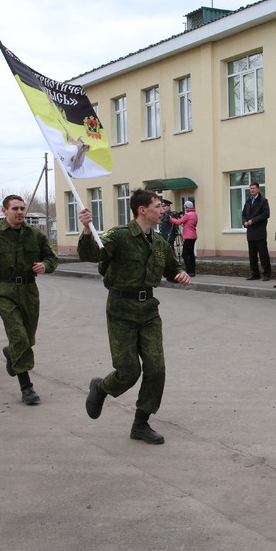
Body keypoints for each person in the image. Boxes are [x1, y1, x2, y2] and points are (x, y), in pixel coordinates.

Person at [79, 190, 192, 444]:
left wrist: (180, 274)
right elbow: (90, 254)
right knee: (129, 371)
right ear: (142, 210)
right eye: (158, 206)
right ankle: (102, 387)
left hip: (149, 310)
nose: (162, 209)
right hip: (121, 309)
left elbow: (172, 268)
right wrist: (87, 229)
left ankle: (141, 423)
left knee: (156, 367)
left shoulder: (160, 241)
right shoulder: (119, 236)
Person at [0, 195, 59, 404]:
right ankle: (26, 387)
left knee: (27, 339)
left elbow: (51, 257)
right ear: (4, 211)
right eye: (15, 209)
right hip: (4, 291)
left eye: (22, 208)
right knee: (19, 336)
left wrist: (45, 266)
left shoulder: (34, 235)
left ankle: (12, 354)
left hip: (29, 290)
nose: (20, 212)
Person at [241, 182, 271, 280]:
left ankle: (266, 274)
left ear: (258, 189)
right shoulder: (248, 201)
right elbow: (244, 213)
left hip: (259, 231)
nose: (252, 190)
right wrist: (244, 221)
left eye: (253, 188)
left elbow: (265, 214)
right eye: (250, 188)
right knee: (252, 255)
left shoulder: (263, 201)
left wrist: (253, 221)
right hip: (250, 232)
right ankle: (255, 273)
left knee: (263, 254)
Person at [169, 199, 198, 276]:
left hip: (188, 236)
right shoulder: (194, 214)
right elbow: (186, 222)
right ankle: (193, 270)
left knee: (184, 254)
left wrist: (171, 219)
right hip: (193, 236)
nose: (185, 209)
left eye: (185, 208)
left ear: (187, 207)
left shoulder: (188, 215)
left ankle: (189, 271)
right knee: (191, 253)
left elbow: (178, 222)